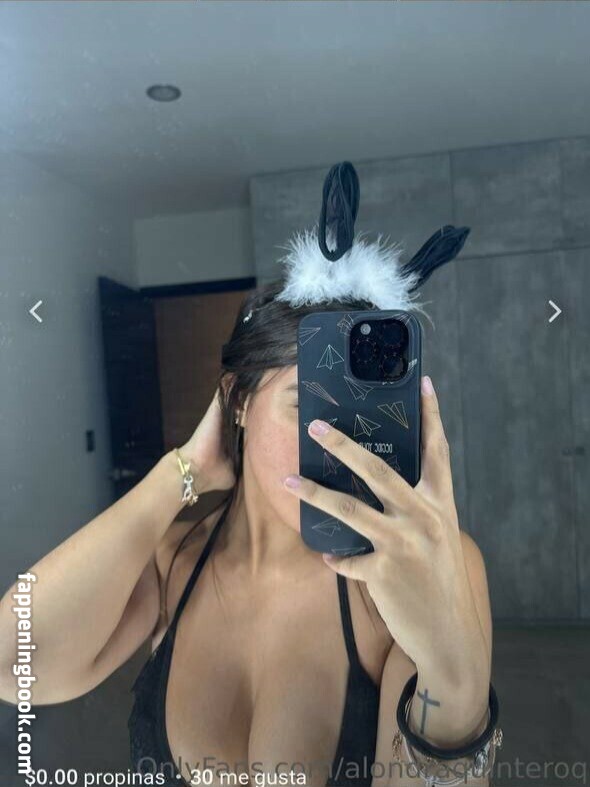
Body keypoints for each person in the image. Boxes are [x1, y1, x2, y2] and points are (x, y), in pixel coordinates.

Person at [0, 163, 501, 786]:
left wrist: (454, 678)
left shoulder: (422, 569)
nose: (342, 446)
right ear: (237, 400)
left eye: (363, 417)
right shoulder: (172, 563)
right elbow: (15, 665)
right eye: (308, 406)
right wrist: (181, 471)